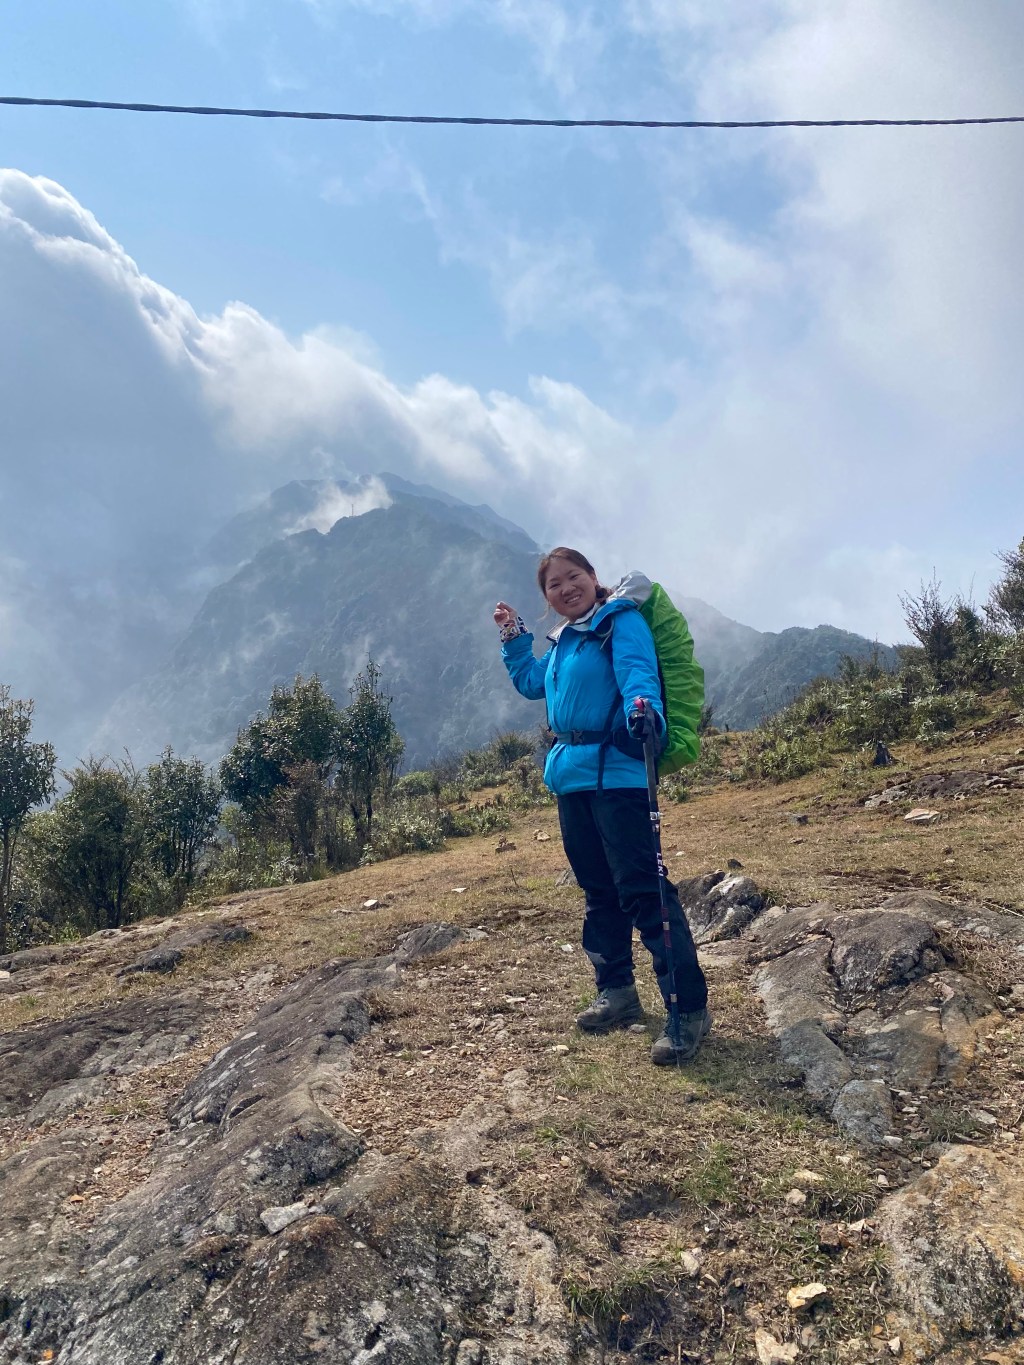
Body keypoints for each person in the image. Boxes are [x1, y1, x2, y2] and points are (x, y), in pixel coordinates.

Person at [494, 547, 710, 1065]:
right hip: (571, 778)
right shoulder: (564, 640)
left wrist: (643, 711)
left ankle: (688, 1009)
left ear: (594, 578)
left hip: (618, 774)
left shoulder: (619, 622)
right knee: (598, 890)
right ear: (547, 598)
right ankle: (617, 991)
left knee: (643, 890)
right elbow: (531, 683)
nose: (566, 588)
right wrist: (513, 637)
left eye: (574, 577)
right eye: (554, 585)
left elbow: (639, 675)